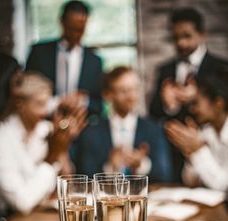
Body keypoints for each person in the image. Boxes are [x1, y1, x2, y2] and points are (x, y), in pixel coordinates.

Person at [149, 7, 228, 182]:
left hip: (216, 145)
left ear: (201, 34)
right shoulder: (166, 69)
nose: (181, 43)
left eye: (186, 36)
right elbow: (153, 111)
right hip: (177, 151)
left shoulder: (221, 67)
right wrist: (168, 105)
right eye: (176, 38)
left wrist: (195, 96)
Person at [0, 72, 87, 221]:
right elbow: (22, 202)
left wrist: (63, 147)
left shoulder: (45, 129)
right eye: (39, 104)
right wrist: (52, 156)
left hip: (39, 217)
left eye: (47, 103)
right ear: (20, 104)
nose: (45, 112)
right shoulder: (0, 139)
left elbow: (68, 185)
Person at [70, 66, 172, 181]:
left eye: (135, 89)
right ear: (107, 95)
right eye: (124, 91)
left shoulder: (153, 129)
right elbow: (85, 176)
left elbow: (164, 175)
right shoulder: (91, 132)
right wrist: (110, 166)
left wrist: (141, 165)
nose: (132, 96)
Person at [26, 0, 103, 119]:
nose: (75, 35)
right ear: (62, 22)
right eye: (71, 29)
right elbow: (27, 95)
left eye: (80, 30)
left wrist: (83, 101)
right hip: (44, 124)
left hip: (81, 129)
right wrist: (56, 102)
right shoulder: (39, 53)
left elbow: (99, 106)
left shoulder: (94, 61)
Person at [165, 72, 228, 192]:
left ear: (218, 103)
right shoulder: (206, 132)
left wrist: (198, 149)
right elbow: (190, 180)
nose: (192, 109)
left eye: (196, 103)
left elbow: (224, 187)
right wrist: (190, 153)